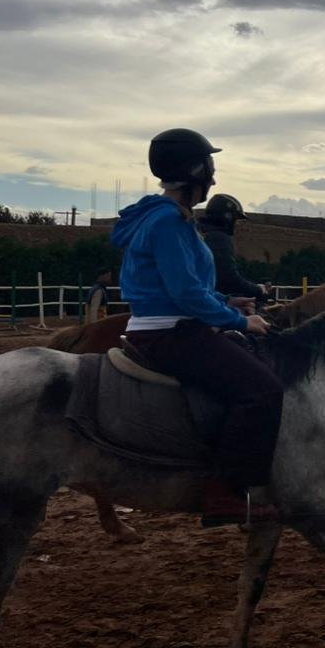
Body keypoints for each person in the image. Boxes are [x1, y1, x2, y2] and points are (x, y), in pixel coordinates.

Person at [111, 128, 281, 525]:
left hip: (168, 322)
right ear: (192, 171)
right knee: (263, 390)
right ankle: (226, 494)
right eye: (209, 168)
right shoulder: (169, 223)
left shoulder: (169, 218)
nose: (213, 179)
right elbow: (187, 295)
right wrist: (241, 320)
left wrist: (226, 301)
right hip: (172, 331)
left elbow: (188, 286)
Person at [197, 193, 271, 304]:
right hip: (207, 302)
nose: (237, 225)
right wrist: (258, 290)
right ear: (228, 217)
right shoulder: (219, 238)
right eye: (236, 220)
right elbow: (228, 279)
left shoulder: (200, 232)